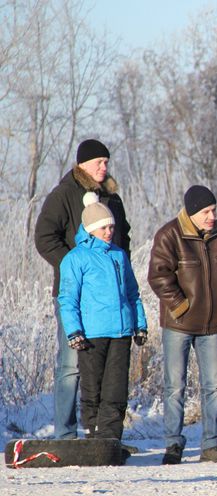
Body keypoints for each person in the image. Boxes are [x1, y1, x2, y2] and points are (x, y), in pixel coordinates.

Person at [35, 139, 131, 440]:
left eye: (106, 162)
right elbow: (44, 237)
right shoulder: (64, 194)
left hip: (110, 302)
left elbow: (124, 237)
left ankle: (102, 434)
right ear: (82, 165)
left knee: (105, 368)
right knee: (71, 362)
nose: (104, 167)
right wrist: (77, 268)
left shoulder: (112, 198)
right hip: (74, 296)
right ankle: (65, 432)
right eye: (98, 162)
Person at [148, 185, 217, 465]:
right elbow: (158, 276)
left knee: (215, 386)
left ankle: (212, 445)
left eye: (214, 210)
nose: (212, 216)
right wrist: (180, 305)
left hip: (212, 325)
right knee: (175, 387)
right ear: (192, 213)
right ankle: (173, 445)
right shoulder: (169, 235)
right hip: (179, 324)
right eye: (206, 212)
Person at [57, 203, 146, 455]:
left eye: (111, 227)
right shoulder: (76, 258)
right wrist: (74, 332)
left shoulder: (119, 255)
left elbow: (133, 293)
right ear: (91, 229)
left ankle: (111, 439)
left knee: (116, 389)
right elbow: (67, 299)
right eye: (104, 227)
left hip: (121, 332)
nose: (109, 231)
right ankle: (94, 436)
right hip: (92, 334)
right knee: (93, 387)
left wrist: (139, 323)